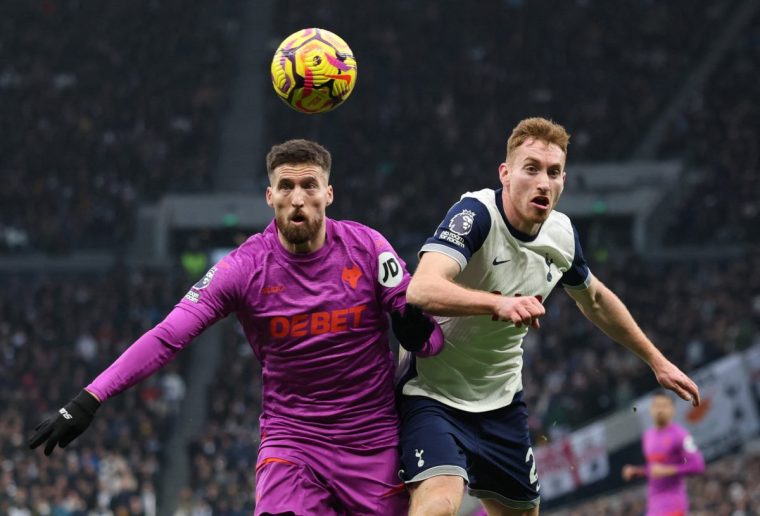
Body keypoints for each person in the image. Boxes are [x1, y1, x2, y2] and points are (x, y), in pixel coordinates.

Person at [29, 139, 444, 515]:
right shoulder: (243, 268)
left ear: (328, 194)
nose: (297, 198)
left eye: (309, 186)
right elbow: (169, 335)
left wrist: (417, 332)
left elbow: (431, 342)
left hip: (372, 445)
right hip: (293, 445)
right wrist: (91, 397)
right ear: (270, 196)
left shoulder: (368, 247)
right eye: (285, 187)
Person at [399, 117, 701, 516]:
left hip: (501, 404)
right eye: (532, 169)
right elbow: (421, 288)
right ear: (505, 174)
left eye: (554, 173)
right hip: (432, 395)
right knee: (440, 502)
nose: (544, 182)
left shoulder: (560, 234)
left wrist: (657, 361)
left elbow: (593, 299)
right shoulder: (476, 214)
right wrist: (498, 303)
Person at [622, 391, 705, 516]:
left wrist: (669, 470)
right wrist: (638, 472)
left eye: (664, 406)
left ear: (673, 409)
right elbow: (655, 469)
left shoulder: (680, 435)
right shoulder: (648, 436)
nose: (660, 410)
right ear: (650, 409)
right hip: (654, 504)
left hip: (673, 502)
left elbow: (698, 465)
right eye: (656, 405)